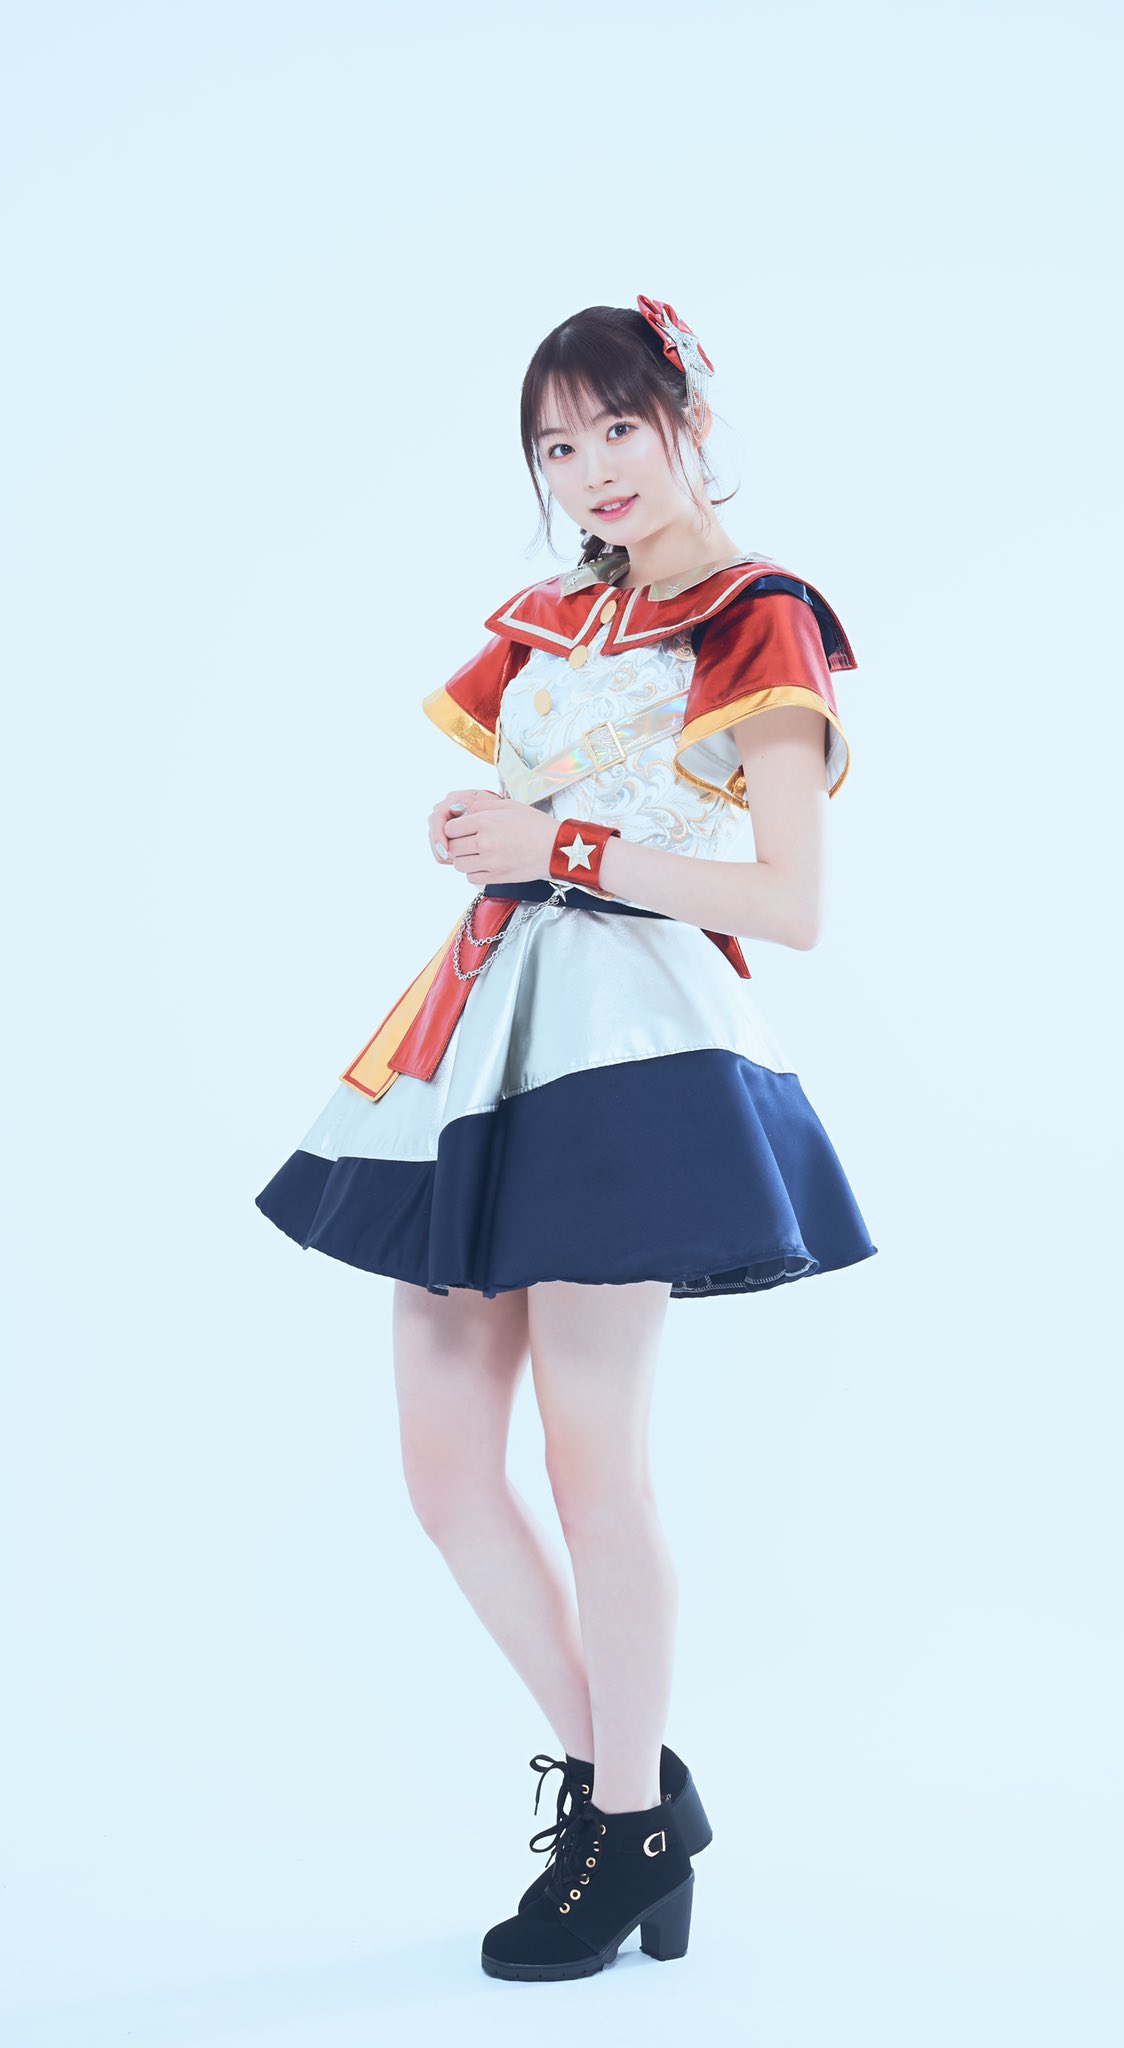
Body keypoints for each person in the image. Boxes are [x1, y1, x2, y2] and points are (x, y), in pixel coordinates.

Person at [255, 294, 878, 1983]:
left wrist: (563, 848)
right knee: (446, 1468)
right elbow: (538, 821)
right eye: (557, 443)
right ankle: (639, 1799)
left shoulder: (759, 617)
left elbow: (789, 904)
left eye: (617, 427)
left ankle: (619, 1819)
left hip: (631, 1051)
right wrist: (489, 835)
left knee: (594, 1460)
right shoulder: (555, 619)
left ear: (687, 421)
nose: (591, 467)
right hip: (482, 1030)